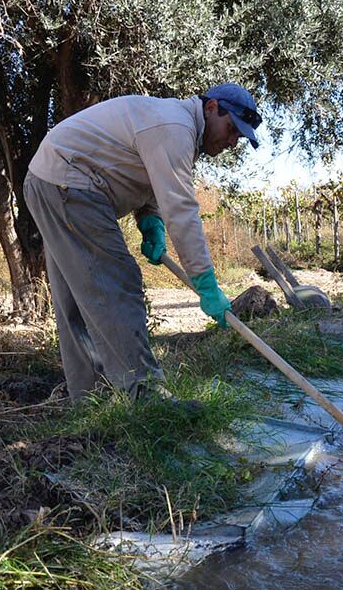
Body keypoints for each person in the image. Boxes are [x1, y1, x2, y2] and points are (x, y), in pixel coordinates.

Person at [23, 83, 261, 403]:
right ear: (211, 107)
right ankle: (144, 393)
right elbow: (182, 210)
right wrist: (204, 281)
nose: (232, 141)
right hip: (70, 183)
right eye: (232, 129)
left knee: (77, 298)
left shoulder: (174, 125)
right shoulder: (174, 128)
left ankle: (93, 398)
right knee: (118, 282)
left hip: (50, 180)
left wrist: (150, 219)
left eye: (239, 138)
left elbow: (145, 174)